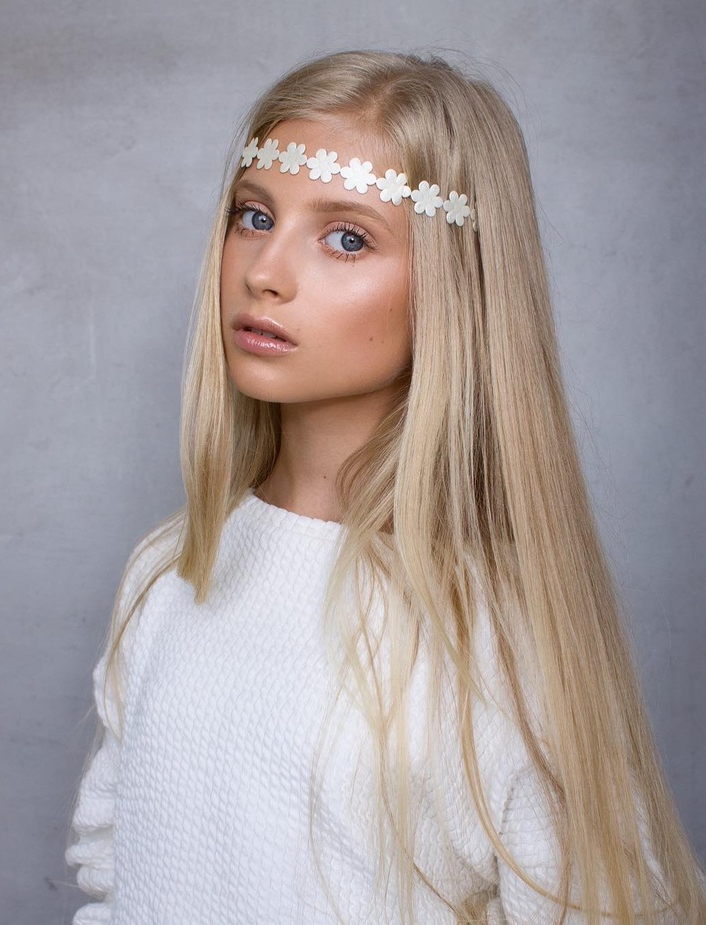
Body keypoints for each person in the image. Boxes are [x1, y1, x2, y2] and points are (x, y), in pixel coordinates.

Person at [65, 50, 705, 925]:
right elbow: (116, 872)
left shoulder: (495, 632)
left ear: (451, 286)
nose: (264, 271)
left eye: (347, 238)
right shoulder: (168, 571)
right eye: (254, 215)